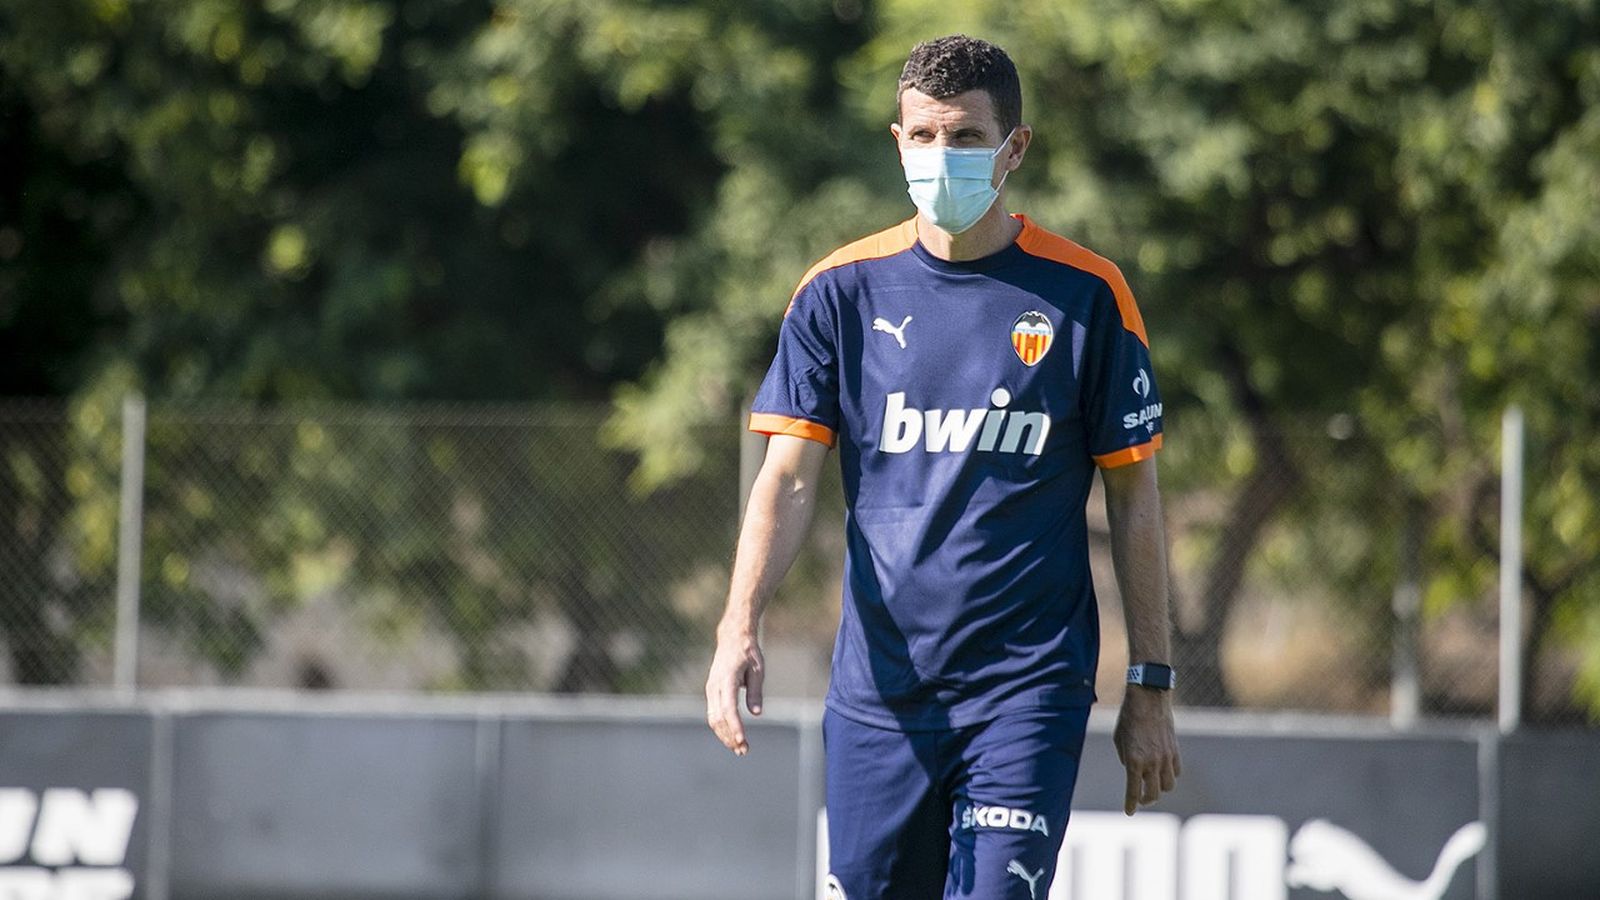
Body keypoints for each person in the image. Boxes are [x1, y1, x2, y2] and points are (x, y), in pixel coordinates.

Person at [705, 34, 1180, 900]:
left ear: (1014, 148)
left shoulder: (1088, 296)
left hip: (1026, 688)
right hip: (879, 692)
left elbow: (1136, 496)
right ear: (896, 142)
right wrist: (739, 623)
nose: (940, 157)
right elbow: (789, 478)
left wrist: (1149, 682)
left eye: (964, 138)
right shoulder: (839, 292)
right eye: (922, 137)